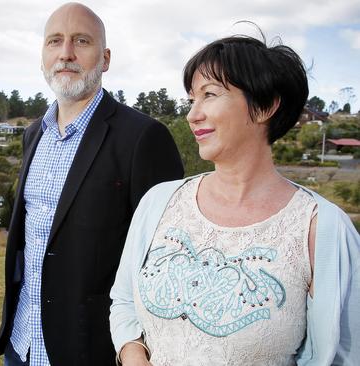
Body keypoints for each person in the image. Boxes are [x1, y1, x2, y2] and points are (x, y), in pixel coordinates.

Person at [110, 34, 360, 365]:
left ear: (266, 105)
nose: (192, 115)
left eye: (209, 95)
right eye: (191, 101)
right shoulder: (159, 202)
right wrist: (133, 354)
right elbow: (124, 300)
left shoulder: (322, 229)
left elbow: (344, 354)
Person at [0, 2, 184, 365]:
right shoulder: (34, 134)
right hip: (21, 343)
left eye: (81, 41)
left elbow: (165, 258)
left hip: (91, 349)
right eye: (54, 42)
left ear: (105, 58)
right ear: (42, 55)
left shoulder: (144, 137)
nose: (66, 53)